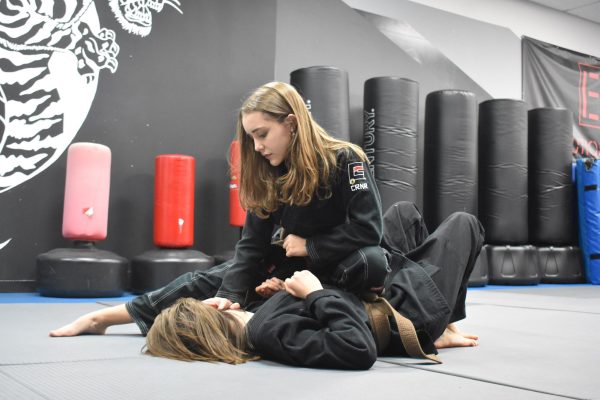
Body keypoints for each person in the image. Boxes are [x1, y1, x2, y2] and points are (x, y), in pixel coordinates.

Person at [50, 81, 390, 336]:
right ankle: (101, 319)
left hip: (337, 265)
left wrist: (311, 246)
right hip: (289, 266)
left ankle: (298, 305)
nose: (257, 147)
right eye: (251, 138)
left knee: (373, 260)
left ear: (291, 122)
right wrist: (229, 296)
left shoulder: (345, 159)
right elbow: (252, 247)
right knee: (209, 279)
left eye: (263, 134)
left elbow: (368, 228)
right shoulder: (269, 173)